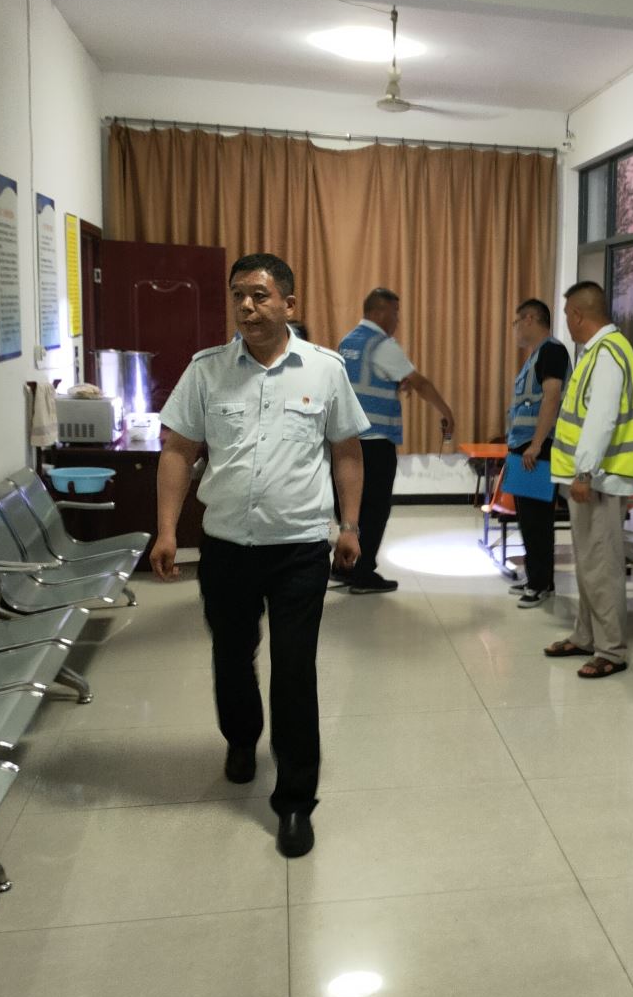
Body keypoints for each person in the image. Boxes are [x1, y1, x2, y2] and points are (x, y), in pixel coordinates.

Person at [150, 253, 367, 860]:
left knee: (294, 671)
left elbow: (347, 452)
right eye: (238, 295)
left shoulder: (325, 370)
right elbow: (178, 451)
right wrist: (166, 531)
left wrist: (349, 526)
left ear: (289, 304)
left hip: (299, 547)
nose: (247, 307)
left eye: (260, 295)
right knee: (232, 655)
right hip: (226, 547)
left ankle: (295, 801)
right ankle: (242, 738)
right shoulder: (207, 370)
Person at [543, 281, 633, 678]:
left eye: (567, 315)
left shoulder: (607, 354)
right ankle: (586, 636)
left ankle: (611, 650)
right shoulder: (596, 352)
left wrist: (584, 471)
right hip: (591, 478)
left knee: (602, 565)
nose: (567, 323)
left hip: (600, 480)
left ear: (578, 315)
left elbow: (601, 420)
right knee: (590, 563)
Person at [337, 287, 457, 594]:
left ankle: (345, 566)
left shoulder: (348, 343)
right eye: (395, 313)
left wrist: (393, 381)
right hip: (376, 440)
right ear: (379, 312)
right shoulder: (382, 344)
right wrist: (446, 412)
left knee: (351, 506)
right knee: (375, 508)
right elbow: (420, 383)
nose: (397, 320)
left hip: (347, 440)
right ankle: (363, 573)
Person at [506, 298, 570, 608]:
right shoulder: (536, 355)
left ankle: (541, 584)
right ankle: (536, 576)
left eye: (516, 323)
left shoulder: (552, 351)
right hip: (524, 446)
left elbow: (552, 397)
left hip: (537, 448)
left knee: (537, 520)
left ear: (530, 319)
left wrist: (536, 443)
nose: (515, 329)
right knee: (527, 519)